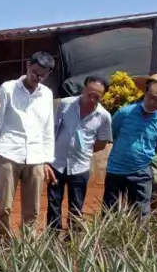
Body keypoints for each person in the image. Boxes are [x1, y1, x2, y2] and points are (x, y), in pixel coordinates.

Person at [0, 52, 57, 239]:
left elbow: (47, 127)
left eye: (42, 75)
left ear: (48, 74)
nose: (37, 77)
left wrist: (47, 160)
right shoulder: (8, 88)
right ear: (27, 66)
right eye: (34, 72)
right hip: (9, 153)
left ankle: (27, 250)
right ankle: (3, 248)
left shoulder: (46, 94)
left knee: (32, 209)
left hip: (36, 156)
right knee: (4, 207)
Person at [47, 76, 112, 233]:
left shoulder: (103, 116)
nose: (92, 99)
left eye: (97, 96)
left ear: (102, 96)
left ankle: (73, 241)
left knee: (76, 206)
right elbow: (52, 129)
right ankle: (52, 240)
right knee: (53, 203)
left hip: (80, 167)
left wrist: (83, 150)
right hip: (57, 163)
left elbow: (101, 143)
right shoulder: (65, 104)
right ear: (83, 89)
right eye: (90, 94)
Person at [102, 75, 157, 218]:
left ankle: (142, 238)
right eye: (150, 96)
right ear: (145, 93)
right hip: (116, 169)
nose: (152, 102)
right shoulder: (124, 113)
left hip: (141, 172)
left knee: (141, 213)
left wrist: (141, 153)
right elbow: (113, 134)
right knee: (110, 211)